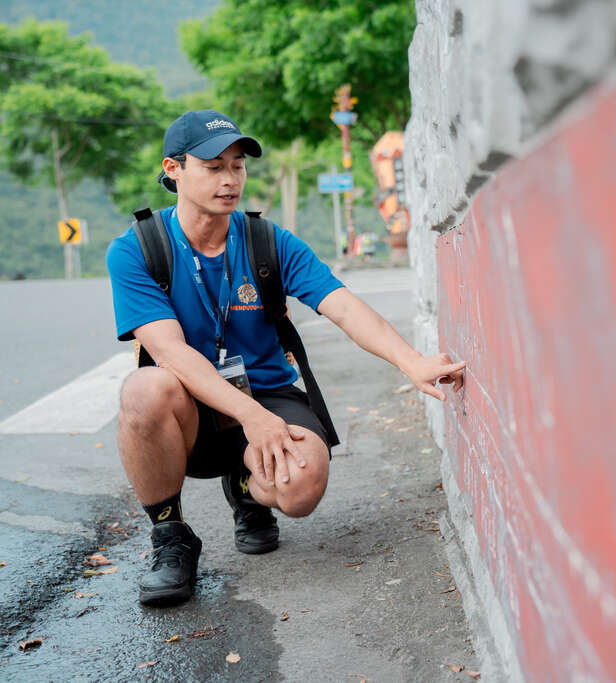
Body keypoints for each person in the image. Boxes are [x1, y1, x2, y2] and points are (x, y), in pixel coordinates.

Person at [106, 110, 465, 606]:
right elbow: (169, 353)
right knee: (143, 389)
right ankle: (171, 537)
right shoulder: (138, 250)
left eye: (238, 165)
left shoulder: (266, 241)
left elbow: (342, 305)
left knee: (301, 487)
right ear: (173, 169)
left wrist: (412, 361)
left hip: (268, 391)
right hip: (190, 407)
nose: (230, 180)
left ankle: (248, 489)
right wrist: (254, 419)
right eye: (213, 167)